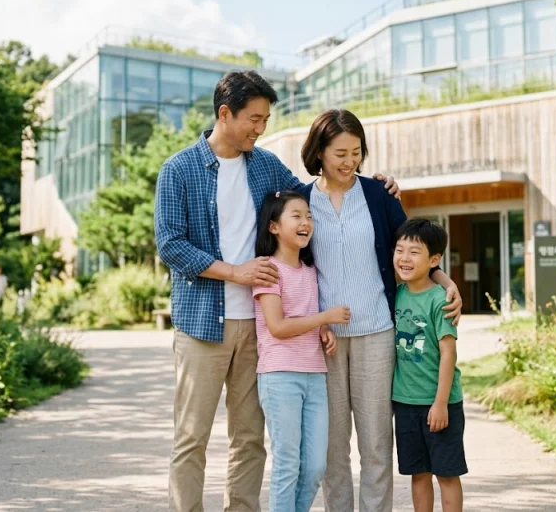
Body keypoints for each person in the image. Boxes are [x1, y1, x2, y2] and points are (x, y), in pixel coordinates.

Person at [154, 71, 400, 512]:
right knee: (191, 438)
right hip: (202, 322)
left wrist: (370, 180)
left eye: (266, 119)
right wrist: (235, 273)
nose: (260, 128)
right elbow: (170, 244)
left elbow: (313, 195)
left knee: (250, 440)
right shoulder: (179, 168)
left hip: (260, 329)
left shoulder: (265, 165)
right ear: (224, 114)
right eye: (254, 118)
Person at [296, 109, 463, 512]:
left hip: (376, 332)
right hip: (327, 338)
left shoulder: (377, 194)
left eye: (356, 152)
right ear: (318, 151)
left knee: (375, 444)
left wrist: (445, 281)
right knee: (333, 447)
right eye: (339, 153)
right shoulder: (300, 200)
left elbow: (413, 249)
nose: (349, 161)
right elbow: (293, 264)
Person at [252, 191, 349, 512]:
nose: (306, 222)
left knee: (315, 466)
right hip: (280, 376)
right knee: (287, 463)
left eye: (308, 215)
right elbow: (277, 326)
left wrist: (322, 330)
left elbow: (303, 314)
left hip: (315, 375)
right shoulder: (267, 269)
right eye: (296, 216)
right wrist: (324, 318)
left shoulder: (310, 271)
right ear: (274, 227)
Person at [392, 218, 466, 512]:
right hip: (405, 403)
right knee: (418, 472)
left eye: (414, 252)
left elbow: (449, 354)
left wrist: (440, 403)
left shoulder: (441, 300)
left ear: (434, 260)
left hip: (439, 403)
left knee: (447, 473)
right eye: (400, 250)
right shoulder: (396, 295)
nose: (404, 258)